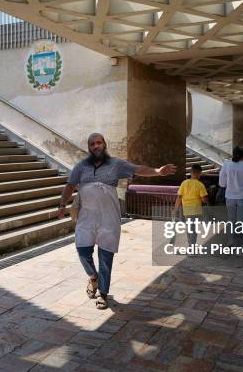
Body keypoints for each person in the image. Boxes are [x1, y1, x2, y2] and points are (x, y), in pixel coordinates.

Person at [57, 133, 176, 310]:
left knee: (106, 257)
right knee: (82, 251)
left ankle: (103, 294)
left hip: (108, 217)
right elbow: (70, 186)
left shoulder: (116, 164)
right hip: (86, 217)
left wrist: (157, 171)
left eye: (99, 142)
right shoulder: (81, 167)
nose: (96, 146)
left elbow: (138, 169)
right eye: (92, 144)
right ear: (89, 148)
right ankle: (93, 277)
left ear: (104, 145)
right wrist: (62, 205)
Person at [218, 147, 243, 247]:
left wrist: (228, 184)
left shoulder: (226, 165)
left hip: (229, 196)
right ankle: (240, 238)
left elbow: (222, 183)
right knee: (241, 218)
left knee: (231, 218)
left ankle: (231, 240)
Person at [173, 164, 209, 246]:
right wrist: (206, 200)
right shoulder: (200, 185)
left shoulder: (184, 183)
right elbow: (204, 199)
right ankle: (192, 247)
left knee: (189, 229)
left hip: (186, 211)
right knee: (193, 230)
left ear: (190, 172)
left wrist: (175, 209)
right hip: (196, 211)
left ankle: (190, 245)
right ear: (200, 173)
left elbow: (179, 197)